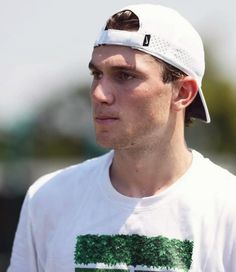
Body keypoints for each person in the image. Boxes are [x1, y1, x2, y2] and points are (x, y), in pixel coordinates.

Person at [8, 4, 236, 272]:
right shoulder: (48, 199)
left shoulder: (227, 208)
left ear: (183, 92)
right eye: (97, 74)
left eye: (125, 75)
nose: (99, 94)